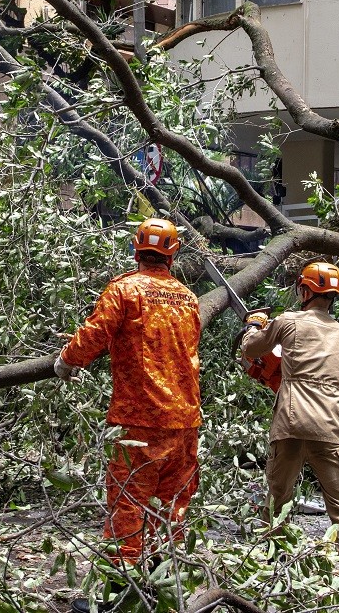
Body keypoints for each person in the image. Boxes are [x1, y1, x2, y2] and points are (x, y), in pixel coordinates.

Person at [55, 217, 202, 577]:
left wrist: (66, 360)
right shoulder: (188, 297)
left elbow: (95, 332)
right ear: (173, 254)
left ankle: (120, 588)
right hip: (185, 420)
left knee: (128, 503)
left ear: (136, 248)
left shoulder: (124, 290)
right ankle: (165, 579)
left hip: (139, 419)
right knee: (171, 505)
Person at [241, 261, 339, 604]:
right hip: (332, 426)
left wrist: (254, 324)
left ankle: (272, 573)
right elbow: (336, 382)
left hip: (290, 423)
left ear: (304, 291)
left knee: (278, 500)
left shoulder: (288, 321)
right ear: (335, 297)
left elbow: (251, 350)